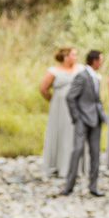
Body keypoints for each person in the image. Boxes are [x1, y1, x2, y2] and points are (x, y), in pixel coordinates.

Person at [60, 50, 106, 197]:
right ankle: (69, 186)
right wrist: (77, 117)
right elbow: (70, 97)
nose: (102, 63)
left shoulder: (96, 77)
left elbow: (96, 99)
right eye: (101, 60)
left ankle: (94, 187)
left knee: (95, 153)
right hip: (82, 119)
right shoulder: (82, 76)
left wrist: (101, 113)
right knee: (77, 150)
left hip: (96, 119)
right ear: (95, 61)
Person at [39, 47, 80, 178]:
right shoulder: (54, 71)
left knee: (74, 132)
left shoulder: (80, 69)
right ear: (65, 57)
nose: (75, 57)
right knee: (61, 132)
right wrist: (54, 100)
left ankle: (74, 165)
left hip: (76, 106)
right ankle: (59, 165)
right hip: (60, 108)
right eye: (73, 55)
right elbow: (43, 89)